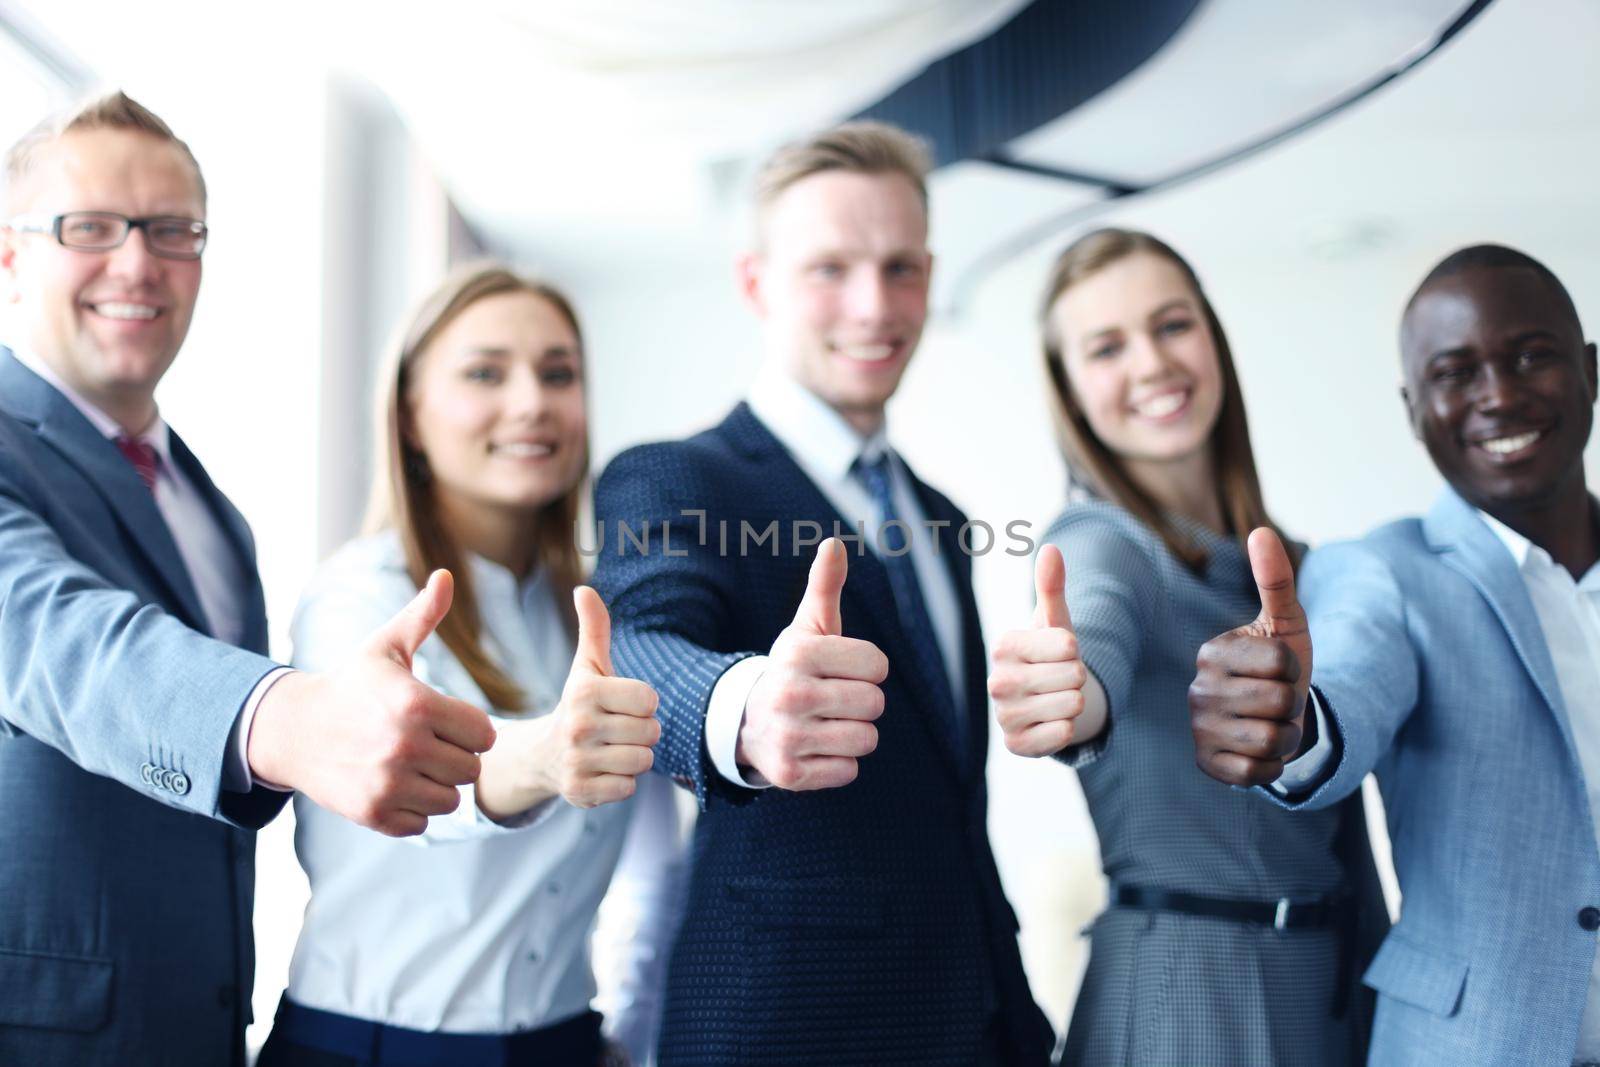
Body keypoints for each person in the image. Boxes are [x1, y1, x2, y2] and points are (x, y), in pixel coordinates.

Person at [0, 92, 495, 1067]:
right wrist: (287, 719)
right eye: (90, 227)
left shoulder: (210, 507)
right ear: (11, 256)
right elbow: (59, 640)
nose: (138, 261)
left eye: (173, 229)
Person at [590, 121, 1052, 1066]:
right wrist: (746, 705)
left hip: (979, 1020)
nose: (874, 305)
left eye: (900, 268)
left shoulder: (941, 516)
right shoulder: (679, 476)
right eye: (829, 269)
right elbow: (641, 641)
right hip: (786, 1024)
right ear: (756, 283)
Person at [259, 264, 682, 1067]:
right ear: (411, 414)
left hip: (566, 1043)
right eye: (486, 371)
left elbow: (654, 853)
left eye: (558, 373)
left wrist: (627, 1025)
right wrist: (546, 754)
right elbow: (406, 766)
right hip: (372, 1049)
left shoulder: (592, 612)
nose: (532, 401)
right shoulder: (360, 597)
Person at [1189, 244, 1600, 1065]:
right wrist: (1292, 722)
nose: (1500, 394)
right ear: (1414, 411)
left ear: (1590, 370)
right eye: (1456, 373)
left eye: (1532, 355)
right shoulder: (1385, 570)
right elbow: (1349, 679)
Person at [987, 227, 1386, 1065]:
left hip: (1330, 990)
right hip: (1190, 994)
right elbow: (1093, 627)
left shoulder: (1294, 568)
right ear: (1070, 388)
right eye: (1106, 347)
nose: (1151, 363)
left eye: (1171, 325)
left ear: (1211, 335)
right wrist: (1072, 691)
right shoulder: (1103, 539)